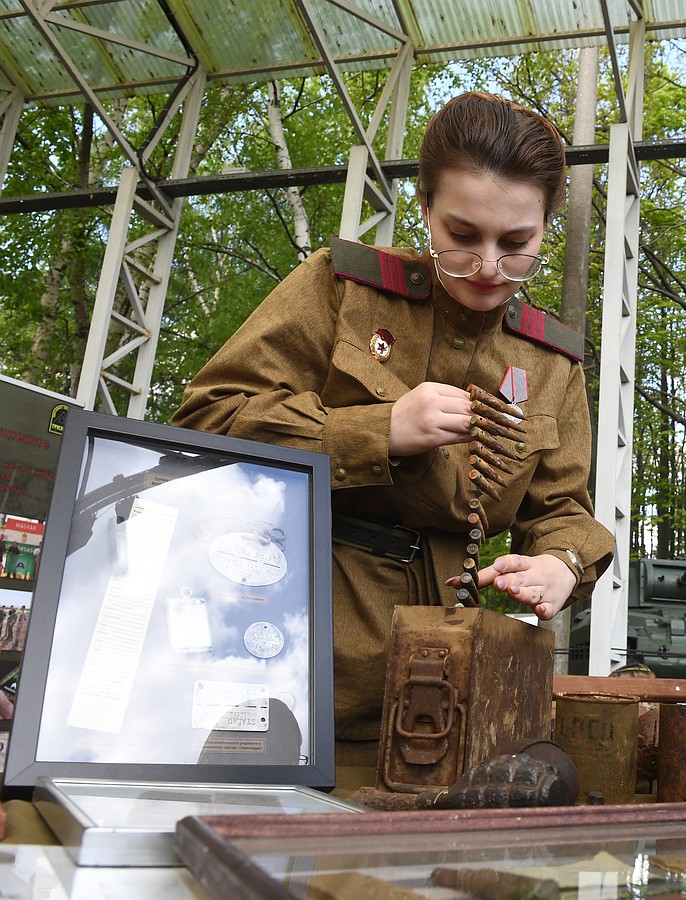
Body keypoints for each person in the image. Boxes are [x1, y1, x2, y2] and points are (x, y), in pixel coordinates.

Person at [173, 91, 615, 781]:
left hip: (446, 702)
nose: (490, 267)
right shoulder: (342, 290)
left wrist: (560, 563)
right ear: (424, 206)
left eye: (517, 245)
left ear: (546, 227)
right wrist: (377, 429)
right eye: (462, 237)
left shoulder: (551, 361)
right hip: (286, 664)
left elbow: (562, 511)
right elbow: (207, 420)